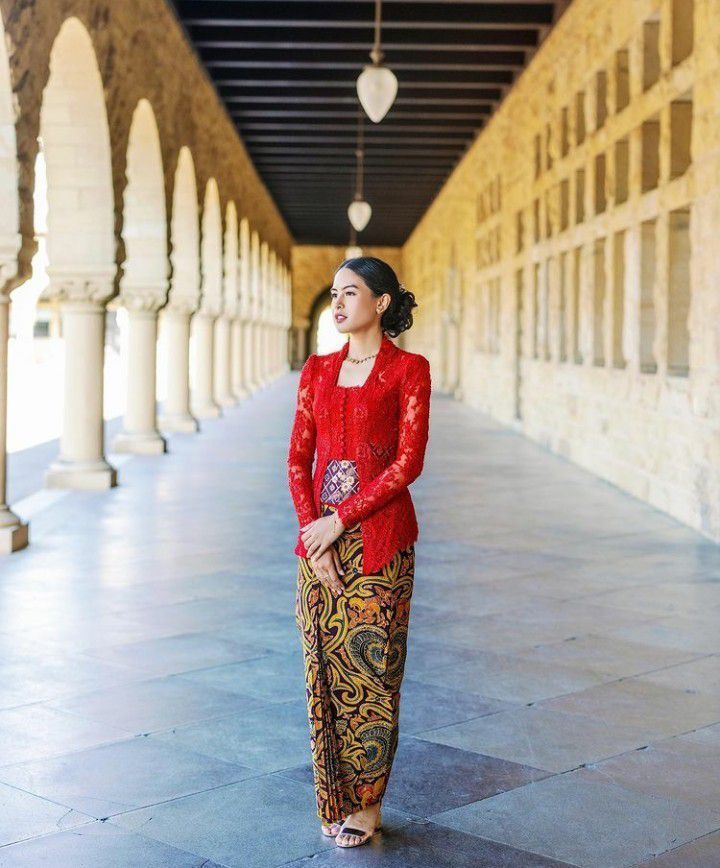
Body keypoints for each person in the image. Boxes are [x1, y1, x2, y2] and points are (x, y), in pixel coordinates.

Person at [287, 256, 432, 848]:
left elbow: (407, 463)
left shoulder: (409, 371)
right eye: (333, 293)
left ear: (381, 302)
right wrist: (313, 534)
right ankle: (335, 797)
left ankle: (368, 806)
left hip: (380, 546)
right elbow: (298, 459)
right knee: (323, 673)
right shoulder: (317, 370)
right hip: (317, 551)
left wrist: (339, 521)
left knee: (373, 674)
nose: (338, 303)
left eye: (350, 293)